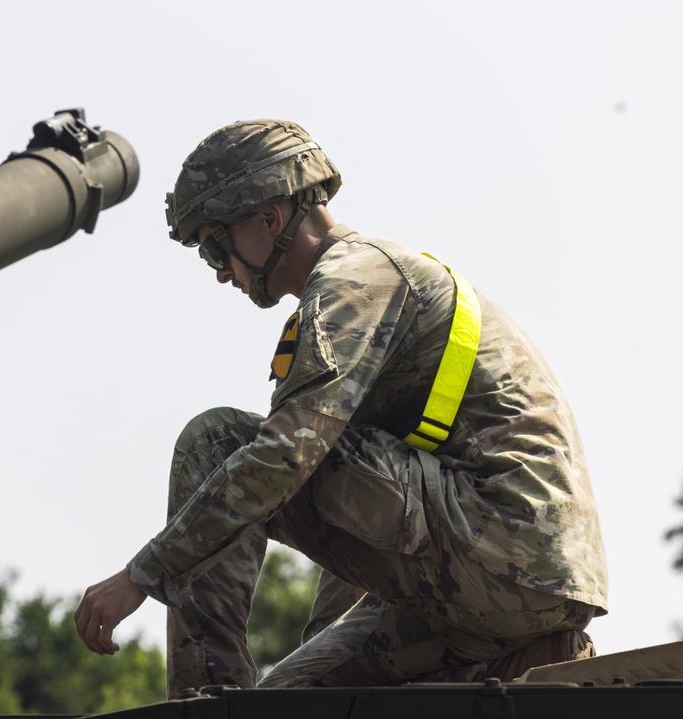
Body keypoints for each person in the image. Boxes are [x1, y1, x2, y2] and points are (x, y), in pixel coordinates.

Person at [72, 120, 607, 693]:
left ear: (268, 219)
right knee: (290, 703)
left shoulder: (354, 283)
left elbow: (284, 461)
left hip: (497, 549)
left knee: (219, 444)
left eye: (214, 246)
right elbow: (352, 502)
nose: (222, 271)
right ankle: (534, 647)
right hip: (498, 581)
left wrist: (141, 576)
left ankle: (206, 696)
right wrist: (331, 638)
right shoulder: (364, 290)